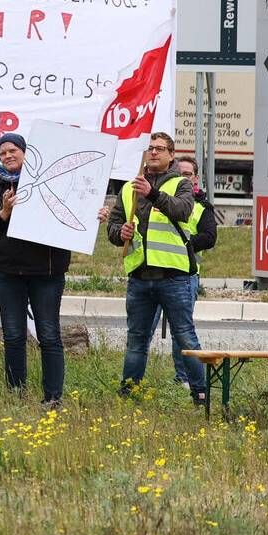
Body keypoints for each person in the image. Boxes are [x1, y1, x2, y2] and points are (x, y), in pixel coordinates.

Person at [107, 132, 207, 406]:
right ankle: (129, 393)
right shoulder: (129, 188)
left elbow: (183, 210)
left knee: (185, 336)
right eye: (150, 148)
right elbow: (113, 227)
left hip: (174, 277)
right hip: (140, 276)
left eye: (160, 149)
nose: (153, 153)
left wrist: (152, 194)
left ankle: (201, 393)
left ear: (171, 155)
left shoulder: (180, 184)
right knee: (136, 339)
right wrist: (120, 232)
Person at [0, 132, 69, 405]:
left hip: (47, 273)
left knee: (49, 334)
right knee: (13, 335)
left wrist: (94, 215)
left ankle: (53, 397)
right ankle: (16, 395)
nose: (8, 155)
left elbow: (71, 215)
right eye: (2, 152)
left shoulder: (49, 181)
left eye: (13, 150)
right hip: (8, 274)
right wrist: (2, 213)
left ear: (26, 153)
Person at [159, 157, 220, 386]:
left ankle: (184, 379)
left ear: (195, 178)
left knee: (181, 331)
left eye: (188, 174)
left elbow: (209, 237)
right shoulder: (160, 198)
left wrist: (184, 244)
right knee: (140, 334)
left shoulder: (201, 207)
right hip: (153, 271)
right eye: (179, 172)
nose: (183, 176)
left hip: (185, 274)